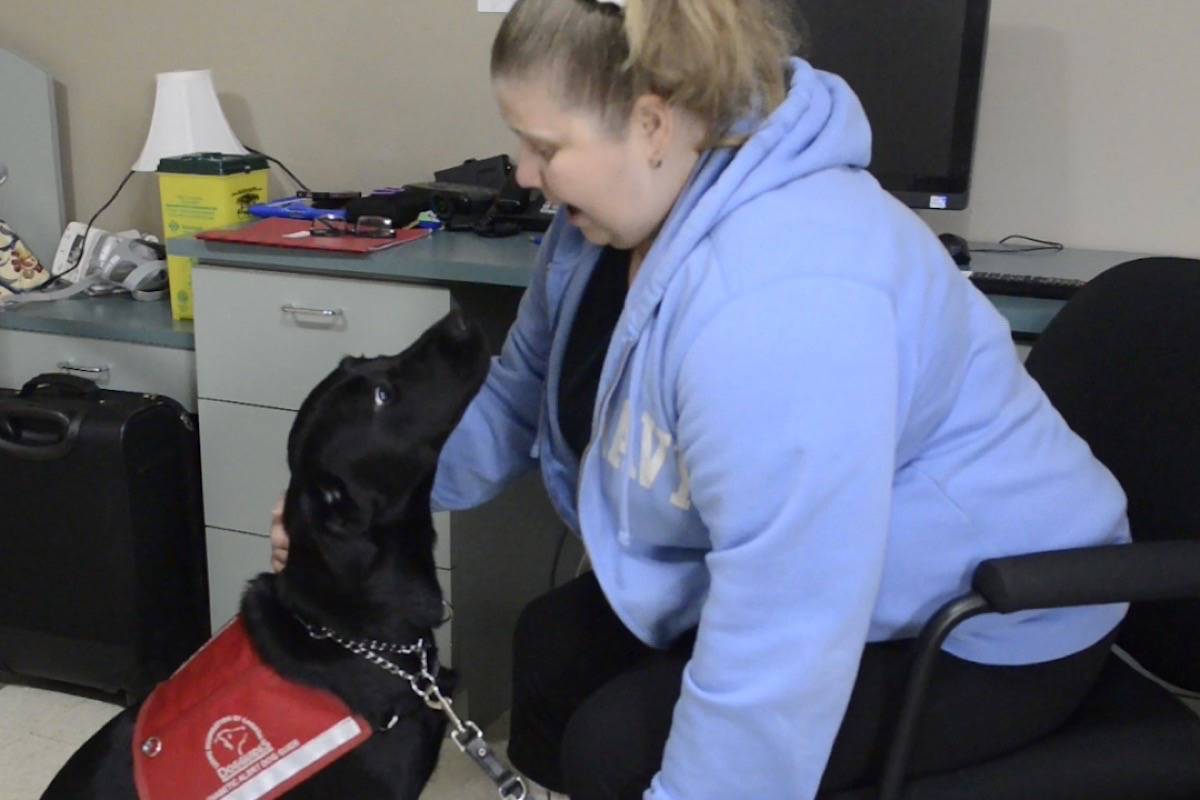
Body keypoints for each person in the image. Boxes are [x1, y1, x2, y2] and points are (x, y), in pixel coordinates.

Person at [272, 0, 1130, 797]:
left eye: (545, 144)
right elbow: (515, 398)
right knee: (550, 647)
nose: (526, 172)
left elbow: (784, 639)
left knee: (618, 744)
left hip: (987, 617)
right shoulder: (600, 229)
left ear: (651, 124)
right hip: (809, 576)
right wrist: (349, 520)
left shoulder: (783, 302)